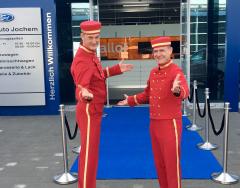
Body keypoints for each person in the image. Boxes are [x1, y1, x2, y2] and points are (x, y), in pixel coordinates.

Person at [118, 37, 189, 188]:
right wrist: (130, 100)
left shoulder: (176, 70)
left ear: (170, 51)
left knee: (171, 164)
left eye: (162, 50)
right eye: (155, 51)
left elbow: (185, 91)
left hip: (170, 123)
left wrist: (177, 90)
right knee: (160, 163)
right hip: (154, 123)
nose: (158, 54)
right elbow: (148, 93)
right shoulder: (153, 72)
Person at [70, 21, 133, 188]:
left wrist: (115, 69)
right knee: (89, 156)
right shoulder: (83, 59)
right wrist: (84, 95)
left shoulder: (90, 53)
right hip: (89, 110)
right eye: (90, 37)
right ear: (82, 36)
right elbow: (81, 87)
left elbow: (97, 75)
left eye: (97, 37)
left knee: (91, 154)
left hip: (94, 110)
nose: (94, 41)